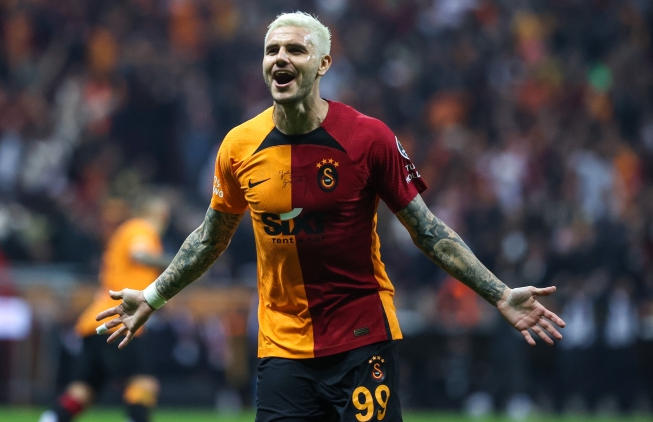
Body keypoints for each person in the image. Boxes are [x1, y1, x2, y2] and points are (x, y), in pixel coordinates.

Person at [96, 12, 566, 422]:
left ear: (323, 64)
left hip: (361, 340)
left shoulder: (369, 138)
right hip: (282, 348)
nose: (280, 58)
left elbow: (428, 231)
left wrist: (498, 293)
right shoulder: (238, 147)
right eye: (272, 50)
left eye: (295, 50)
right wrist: (153, 296)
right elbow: (209, 238)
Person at [40, 195, 172, 422]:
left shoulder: (125, 231)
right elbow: (139, 253)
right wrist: (180, 264)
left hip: (95, 321)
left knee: (83, 391)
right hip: (119, 321)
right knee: (143, 384)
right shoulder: (140, 228)